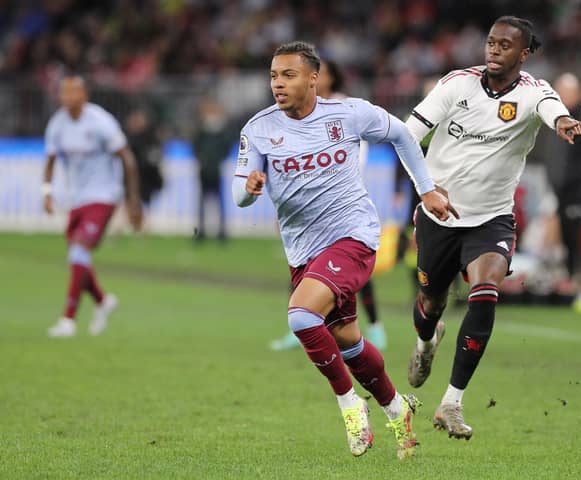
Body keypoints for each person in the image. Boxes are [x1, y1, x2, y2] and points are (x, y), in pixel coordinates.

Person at [232, 41, 454, 459]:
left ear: (314, 78)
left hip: (353, 236)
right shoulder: (258, 128)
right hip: (303, 250)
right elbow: (238, 189)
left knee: (300, 316)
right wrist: (248, 190)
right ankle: (395, 407)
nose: (278, 84)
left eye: (288, 75)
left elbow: (402, 135)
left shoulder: (348, 114)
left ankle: (350, 406)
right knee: (347, 341)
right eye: (274, 76)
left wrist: (425, 190)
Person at [403, 16, 581, 440]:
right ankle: (426, 343)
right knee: (430, 304)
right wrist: (426, 188)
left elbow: (551, 109)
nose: (494, 50)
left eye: (505, 45)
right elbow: (409, 134)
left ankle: (451, 403)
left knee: (485, 294)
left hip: (491, 219)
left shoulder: (534, 92)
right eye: (490, 42)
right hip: (439, 215)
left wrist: (562, 122)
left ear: (524, 54)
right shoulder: (456, 85)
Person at [269, 59, 387, 352]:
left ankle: (375, 326)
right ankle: (299, 327)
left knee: (354, 267)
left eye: (318, 75)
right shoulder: (295, 112)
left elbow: (356, 151)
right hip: (307, 205)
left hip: (341, 202)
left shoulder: (344, 109)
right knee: (301, 262)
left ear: (329, 79)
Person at [43, 75, 143, 338]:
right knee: (77, 257)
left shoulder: (101, 122)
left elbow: (127, 159)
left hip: (103, 196)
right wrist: (47, 192)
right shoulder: (57, 125)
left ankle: (68, 320)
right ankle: (102, 301)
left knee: (79, 249)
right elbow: (51, 160)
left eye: (72, 92)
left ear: (84, 95)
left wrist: (133, 200)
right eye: (63, 92)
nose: (66, 97)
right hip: (75, 198)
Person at [547, 73, 581, 314]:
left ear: (576, 94)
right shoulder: (558, 123)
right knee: (569, 241)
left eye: (564, 92)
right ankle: (572, 285)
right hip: (563, 194)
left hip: (578, 195)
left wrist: (577, 191)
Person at [193, 98, 237, 242]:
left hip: (215, 170)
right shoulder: (202, 129)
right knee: (203, 203)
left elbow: (226, 146)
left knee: (218, 202)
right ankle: (202, 231)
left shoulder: (220, 130)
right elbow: (195, 145)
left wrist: (218, 159)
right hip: (205, 171)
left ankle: (221, 231)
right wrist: (201, 159)